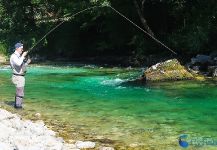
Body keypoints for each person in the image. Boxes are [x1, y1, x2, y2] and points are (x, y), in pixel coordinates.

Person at [10, 42, 31, 108]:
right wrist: (23, 56)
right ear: (17, 48)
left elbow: (21, 66)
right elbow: (18, 63)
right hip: (18, 77)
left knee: (19, 92)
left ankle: (16, 105)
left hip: (20, 77)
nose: (22, 50)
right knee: (20, 92)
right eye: (21, 48)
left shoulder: (18, 56)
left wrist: (27, 63)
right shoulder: (13, 56)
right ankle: (18, 107)